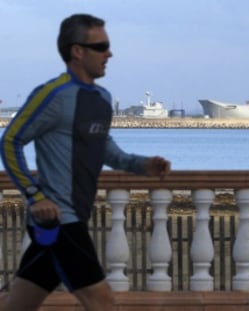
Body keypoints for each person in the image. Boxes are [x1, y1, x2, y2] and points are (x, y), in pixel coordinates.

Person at [0, 13, 171, 311]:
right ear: (77, 51)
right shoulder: (53, 95)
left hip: (72, 217)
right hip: (59, 221)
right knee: (102, 301)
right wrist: (34, 196)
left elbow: (110, 153)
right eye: (101, 46)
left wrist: (144, 165)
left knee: (19, 304)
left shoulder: (102, 99)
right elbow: (10, 140)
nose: (110, 53)